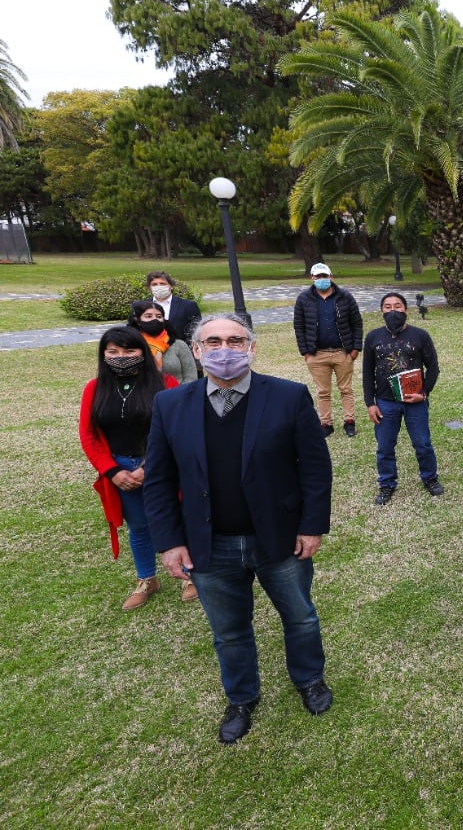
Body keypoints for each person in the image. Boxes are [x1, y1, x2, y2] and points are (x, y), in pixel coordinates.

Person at [144, 314, 334, 744]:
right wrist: (170, 542)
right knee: (229, 630)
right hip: (209, 544)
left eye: (235, 340)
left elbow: (315, 469)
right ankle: (242, 697)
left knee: (300, 617)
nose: (223, 349)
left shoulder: (288, 396)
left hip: (280, 539)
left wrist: (311, 525)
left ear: (252, 347)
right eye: (212, 342)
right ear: (196, 351)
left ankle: (309, 679)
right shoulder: (170, 405)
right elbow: (159, 479)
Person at [79, 326, 182, 610]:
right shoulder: (94, 388)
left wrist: (150, 467)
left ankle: (189, 574)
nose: (120, 357)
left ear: (143, 352)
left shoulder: (166, 383)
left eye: (129, 351)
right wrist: (113, 471)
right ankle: (147, 579)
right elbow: (89, 435)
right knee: (139, 525)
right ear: (103, 355)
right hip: (121, 469)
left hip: (162, 465)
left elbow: (177, 431)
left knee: (178, 515)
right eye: (112, 352)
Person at [363, 292, 443, 505]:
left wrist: (424, 393)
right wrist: (370, 403)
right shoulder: (372, 337)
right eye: (388, 307)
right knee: (385, 446)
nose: (393, 311)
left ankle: (430, 478)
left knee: (423, 444)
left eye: (397, 306)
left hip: (414, 401)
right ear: (382, 311)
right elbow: (367, 372)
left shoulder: (420, 336)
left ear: (406, 310)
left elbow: (433, 368)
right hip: (385, 402)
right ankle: (387, 483)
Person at [293, 262, 363, 438]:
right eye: (318, 277)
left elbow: (356, 323)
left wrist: (355, 349)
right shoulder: (304, 299)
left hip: (342, 352)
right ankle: (326, 424)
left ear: (331, 277)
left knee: (346, 389)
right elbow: (299, 326)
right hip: (317, 354)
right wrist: (306, 352)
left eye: (325, 276)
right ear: (312, 278)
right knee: (323, 392)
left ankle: (349, 422)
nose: (322, 280)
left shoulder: (345, 297)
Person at [128, 299, 197, 384]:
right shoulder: (130, 345)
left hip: (177, 393)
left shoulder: (178, 345)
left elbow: (191, 376)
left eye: (159, 316)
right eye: (148, 316)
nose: (155, 319)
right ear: (137, 320)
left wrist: (179, 393)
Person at [146, 270, 201, 345]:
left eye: (162, 284)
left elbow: (196, 331)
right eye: (154, 284)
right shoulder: (141, 306)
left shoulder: (188, 305)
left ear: (171, 286)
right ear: (150, 288)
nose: (158, 287)